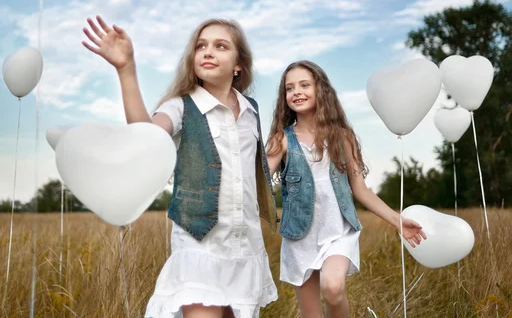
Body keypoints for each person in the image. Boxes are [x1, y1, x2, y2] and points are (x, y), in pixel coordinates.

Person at [81, 16, 279, 318]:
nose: (208, 51)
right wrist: (126, 69)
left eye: (220, 46)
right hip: (199, 247)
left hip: (244, 249)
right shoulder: (180, 106)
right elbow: (146, 137)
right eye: (201, 46)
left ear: (239, 65)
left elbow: (250, 172)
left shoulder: (251, 111)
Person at [265, 60, 427, 318]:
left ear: (321, 90)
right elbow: (260, 184)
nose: (296, 92)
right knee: (311, 314)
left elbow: (361, 191)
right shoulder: (281, 139)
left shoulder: (341, 137)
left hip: (338, 231)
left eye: (305, 85)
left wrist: (398, 221)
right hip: (299, 237)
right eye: (289, 88)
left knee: (333, 288)